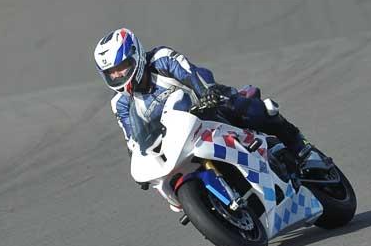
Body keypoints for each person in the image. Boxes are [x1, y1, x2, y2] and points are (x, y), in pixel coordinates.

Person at [94, 27, 311, 163]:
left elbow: (191, 73)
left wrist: (206, 92)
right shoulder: (120, 103)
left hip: (208, 109)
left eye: (121, 66)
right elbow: (132, 137)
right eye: (111, 72)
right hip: (179, 140)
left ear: (136, 54)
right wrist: (138, 155)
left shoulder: (160, 60)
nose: (118, 75)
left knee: (238, 107)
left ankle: (298, 145)